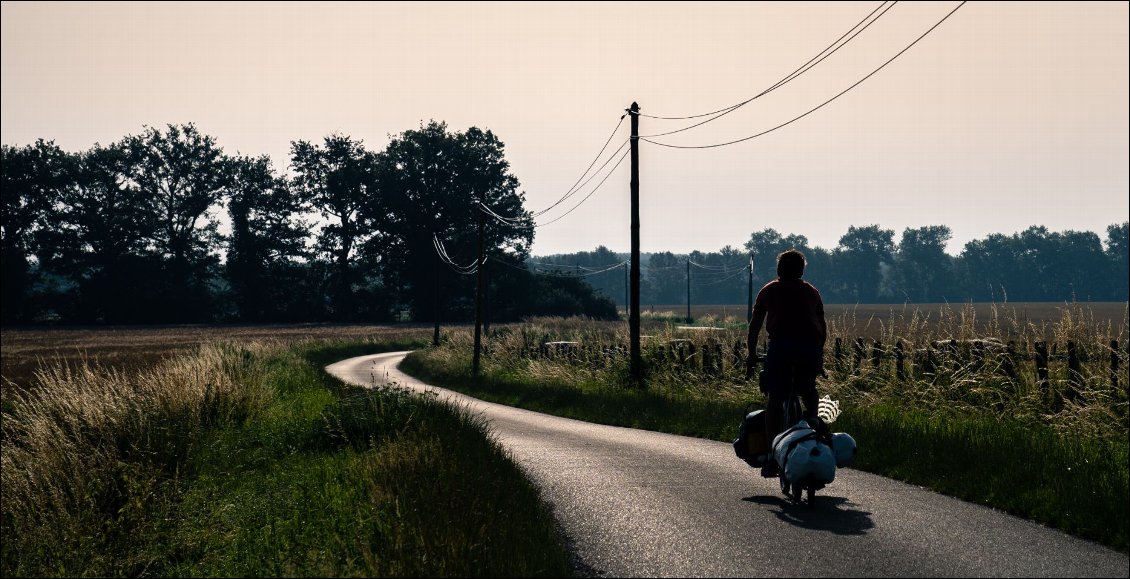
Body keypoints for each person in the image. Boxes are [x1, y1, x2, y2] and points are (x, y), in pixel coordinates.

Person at [745, 249, 827, 478]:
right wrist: (818, 355)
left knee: (775, 399)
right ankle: (813, 426)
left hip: (780, 349)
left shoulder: (769, 290)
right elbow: (822, 328)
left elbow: (755, 326)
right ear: (801, 270)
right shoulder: (812, 292)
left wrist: (751, 354)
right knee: (808, 389)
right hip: (808, 349)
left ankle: (772, 456)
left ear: (779, 269)